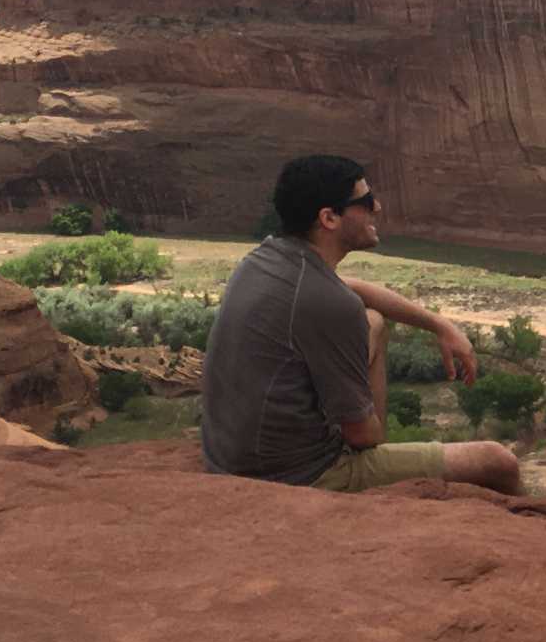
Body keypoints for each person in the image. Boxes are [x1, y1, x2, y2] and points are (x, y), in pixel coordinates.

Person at [201, 155, 522, 495]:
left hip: (232, 456)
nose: (377, 208)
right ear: (329, 218)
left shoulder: (265, 259)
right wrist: (368, 433)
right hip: (298, 474)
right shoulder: (331, 303)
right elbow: (362, 435)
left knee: (374, 322)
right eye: (366, 201)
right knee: (498, 461)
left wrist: (438, 324)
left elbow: (352, 288)